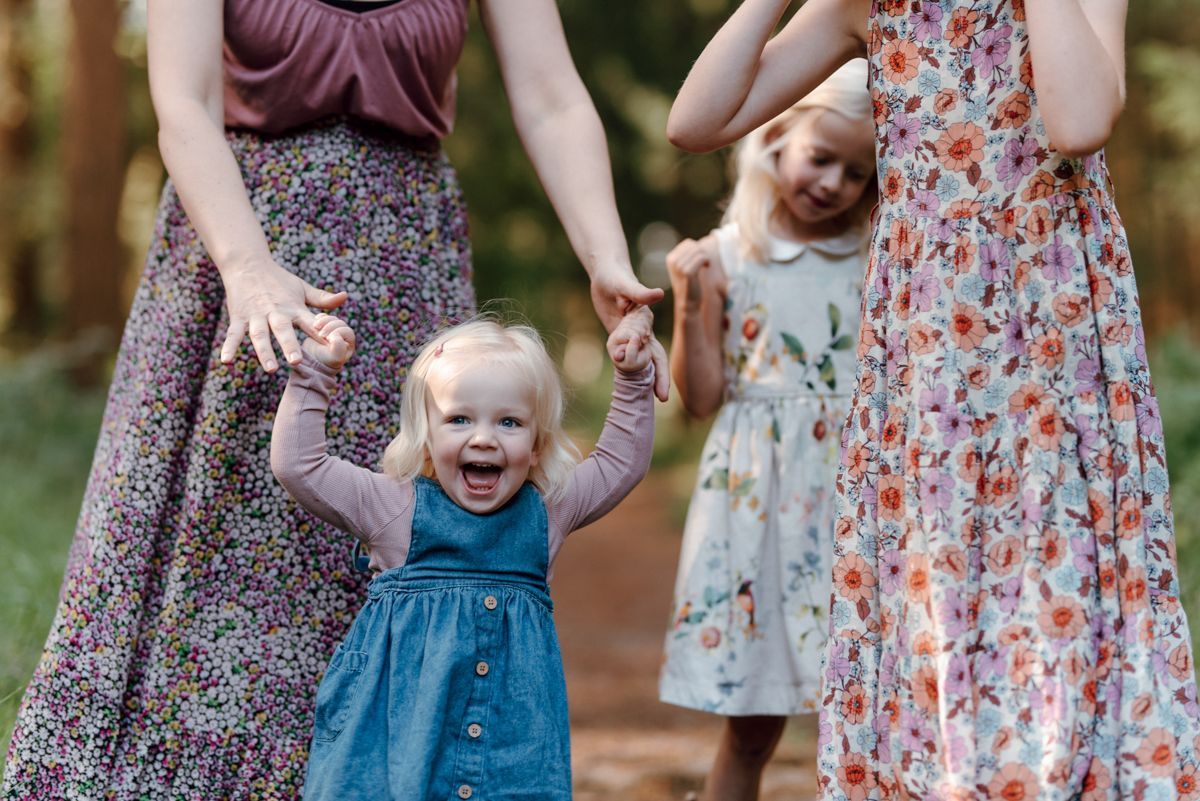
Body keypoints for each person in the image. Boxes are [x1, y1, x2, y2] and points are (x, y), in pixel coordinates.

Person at [2, 1, 667, 797]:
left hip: (402, 257)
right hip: (241, 245)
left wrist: (604, 256)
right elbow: (182, 104)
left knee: (408, 533)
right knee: (232, 544)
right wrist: (246, 268)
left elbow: (552, 95)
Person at [666, 0, 1200, 798]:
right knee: (938, 576)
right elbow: (697, 120)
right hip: (929, 338)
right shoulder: (869, 6)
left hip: (1051, 318)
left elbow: (1081, 121)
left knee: (1058, 566)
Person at [269, 310, 654, 800]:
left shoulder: (547, 512)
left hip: (513, 745)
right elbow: (299, 465)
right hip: (394, 742)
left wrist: (633, 376)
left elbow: (620, 461)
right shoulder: (394, 507)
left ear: (536, 445)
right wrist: (316, 372)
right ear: (426, 435)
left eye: (509, 421)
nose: (484, 437)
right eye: (459, 419)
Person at [657, 59, 874, 801]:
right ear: (778, 136)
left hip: (851, 496)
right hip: (758, 499)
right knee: (754, 719)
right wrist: (691, 305)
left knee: (872, 697)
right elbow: (701, 397)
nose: (833, 183)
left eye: (856, 172)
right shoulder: (725, 255)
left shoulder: (878, 256)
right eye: (822, 157)